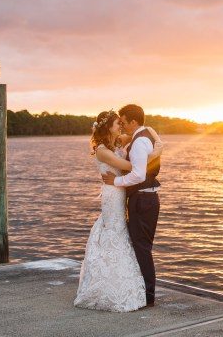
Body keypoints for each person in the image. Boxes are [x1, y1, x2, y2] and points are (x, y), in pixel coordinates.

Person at [74, 109, 164, 312]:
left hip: (122, 191)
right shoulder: (103, 150)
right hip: (113, 194)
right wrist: (156, 152)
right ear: (109, 127)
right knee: (115, 231)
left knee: (124, 235)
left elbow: (145, 129)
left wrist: (158, 141)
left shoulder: (117, 142)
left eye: (122, 123)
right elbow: (132, 166)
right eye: (117, 124)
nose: (121, 127)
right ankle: (108, 282)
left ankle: (127, 281)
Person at [101, 104, 161, 307]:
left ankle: (148, 297)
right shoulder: (142, 135)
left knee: (142, 248)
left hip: (143, 200)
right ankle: (143, 292)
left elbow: (138, 174)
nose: (123, 125)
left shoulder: (140, 140)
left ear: (134, 122)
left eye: (124, 122)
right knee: (141, 247)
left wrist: (115, 182)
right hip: (145, 198)